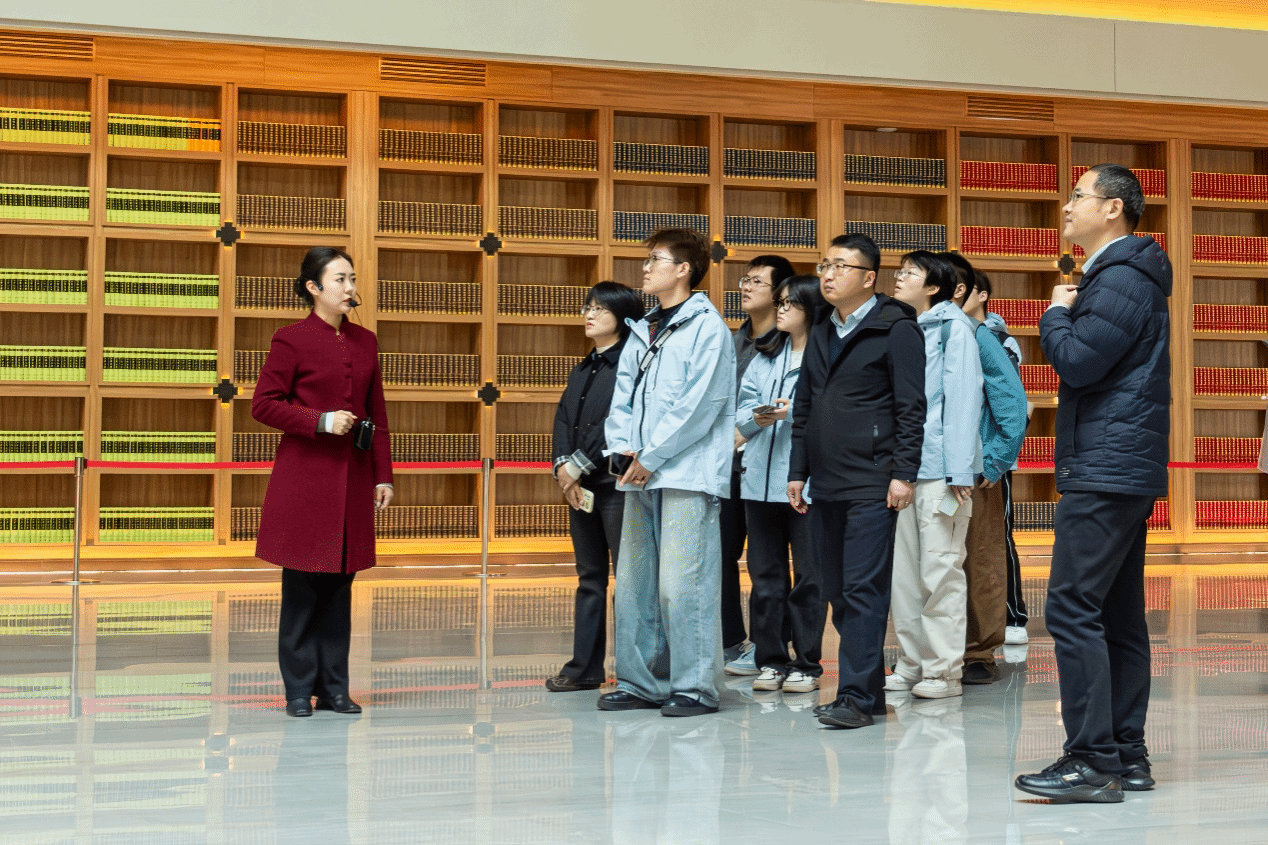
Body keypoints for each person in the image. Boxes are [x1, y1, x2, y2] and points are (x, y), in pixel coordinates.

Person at [1015, 164, 1171, 803]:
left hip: (1108, 463)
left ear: (1113, 209)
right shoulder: (1125, 275)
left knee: (1071, 606)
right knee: (1116, 614)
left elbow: (1078, 361)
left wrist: (1055, 314)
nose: (1066, 206)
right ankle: (1126, 755)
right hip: (1121, 463)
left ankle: (1091, 760)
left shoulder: (1119, 278)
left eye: (1078, 195)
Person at [788, 233, 926, 729]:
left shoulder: (896, 329)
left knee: (864, 588)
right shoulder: (823, 327)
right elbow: (804, 405)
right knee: (838, 591)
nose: (828, 274)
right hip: (825, 480)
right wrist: (797, 470)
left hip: (873, 479)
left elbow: (911, 407)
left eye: (840, 266)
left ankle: (853, 696)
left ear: (868, 278)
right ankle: (866, 693)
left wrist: (903, 473)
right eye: (825, 265)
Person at [599, 228, 736, 717]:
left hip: (685, 474)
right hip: (638, 472)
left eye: (655, 259)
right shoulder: (644, 327)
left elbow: (700, 406)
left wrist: (650, 457)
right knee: (636, 585)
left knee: (683, 585)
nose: (645, 268)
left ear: (683, 269)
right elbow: (624, 396)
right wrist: (622, 449)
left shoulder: (708, 328)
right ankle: (642, 682)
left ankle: (695, 686)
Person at [252, 247, 393, 718]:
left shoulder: (366, 341)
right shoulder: (290, 339)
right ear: (314, 287)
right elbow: (263, 404)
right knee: (302, 588)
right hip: (305, 481)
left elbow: (378, 415)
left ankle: (334, 688)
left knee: (339, 590)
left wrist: (383, 475)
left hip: (352, 479)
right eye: (340, 279)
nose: (350, 288)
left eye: (352, 279)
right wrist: (320, 420)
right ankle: (297, 690)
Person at [885, 250, 983, 700]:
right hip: (907, 469)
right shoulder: (904, 327)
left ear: (933, 287)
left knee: (940, 572)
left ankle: (943, 670)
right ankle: (911, 663)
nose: (899, 278)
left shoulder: (953, 328)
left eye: (910, 273)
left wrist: (960, 470)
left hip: (943, 473)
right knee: (905, 577)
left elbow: (963, 401)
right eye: (899, 271)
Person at [545, 281, 646, 692]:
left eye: (600, 309)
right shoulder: (584, 366)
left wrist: (578, 465)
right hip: (581, 486)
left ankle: (634, 672)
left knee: (629, 579)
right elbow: (563, 419)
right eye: (588, 307)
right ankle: (584, 668)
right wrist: (562, 467)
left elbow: (615, 425)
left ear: (622, 318)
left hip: (615, 485)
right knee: (589, 577)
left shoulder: (630, 364)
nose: (589, 314)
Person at [736, 274, 826, 693]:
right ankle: (770, 660)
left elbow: (833, 414)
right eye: (781, 302)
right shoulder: (765, 355)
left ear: (812, 309)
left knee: (809, 578)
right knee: (765, 579)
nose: (782, 309)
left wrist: (794, 412)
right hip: (758, 482)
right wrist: (762, 416)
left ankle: (807, 663)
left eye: (790, 303)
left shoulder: (827, 357)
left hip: (805, 485)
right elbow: (740, 415)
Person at [945, 256, 1027, 686]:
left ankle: (979, 651)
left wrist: (995, 460)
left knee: (980, 559)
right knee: (935, 563)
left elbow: (1012, 403)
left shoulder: (980, 336)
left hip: (976, 469)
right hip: (932, 467)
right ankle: (938, 650)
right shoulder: (924, 332)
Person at [723, 255, 795, 677]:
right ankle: (731, 639)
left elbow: (780, 407)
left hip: (770, 461)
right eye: (744, 280)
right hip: (727, 464)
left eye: (756, 281)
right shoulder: (732, 341)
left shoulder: (790, 343)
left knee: (770, 563)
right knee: (723, 555)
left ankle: (771, 645)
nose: (746, 287)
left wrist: (747, 427)